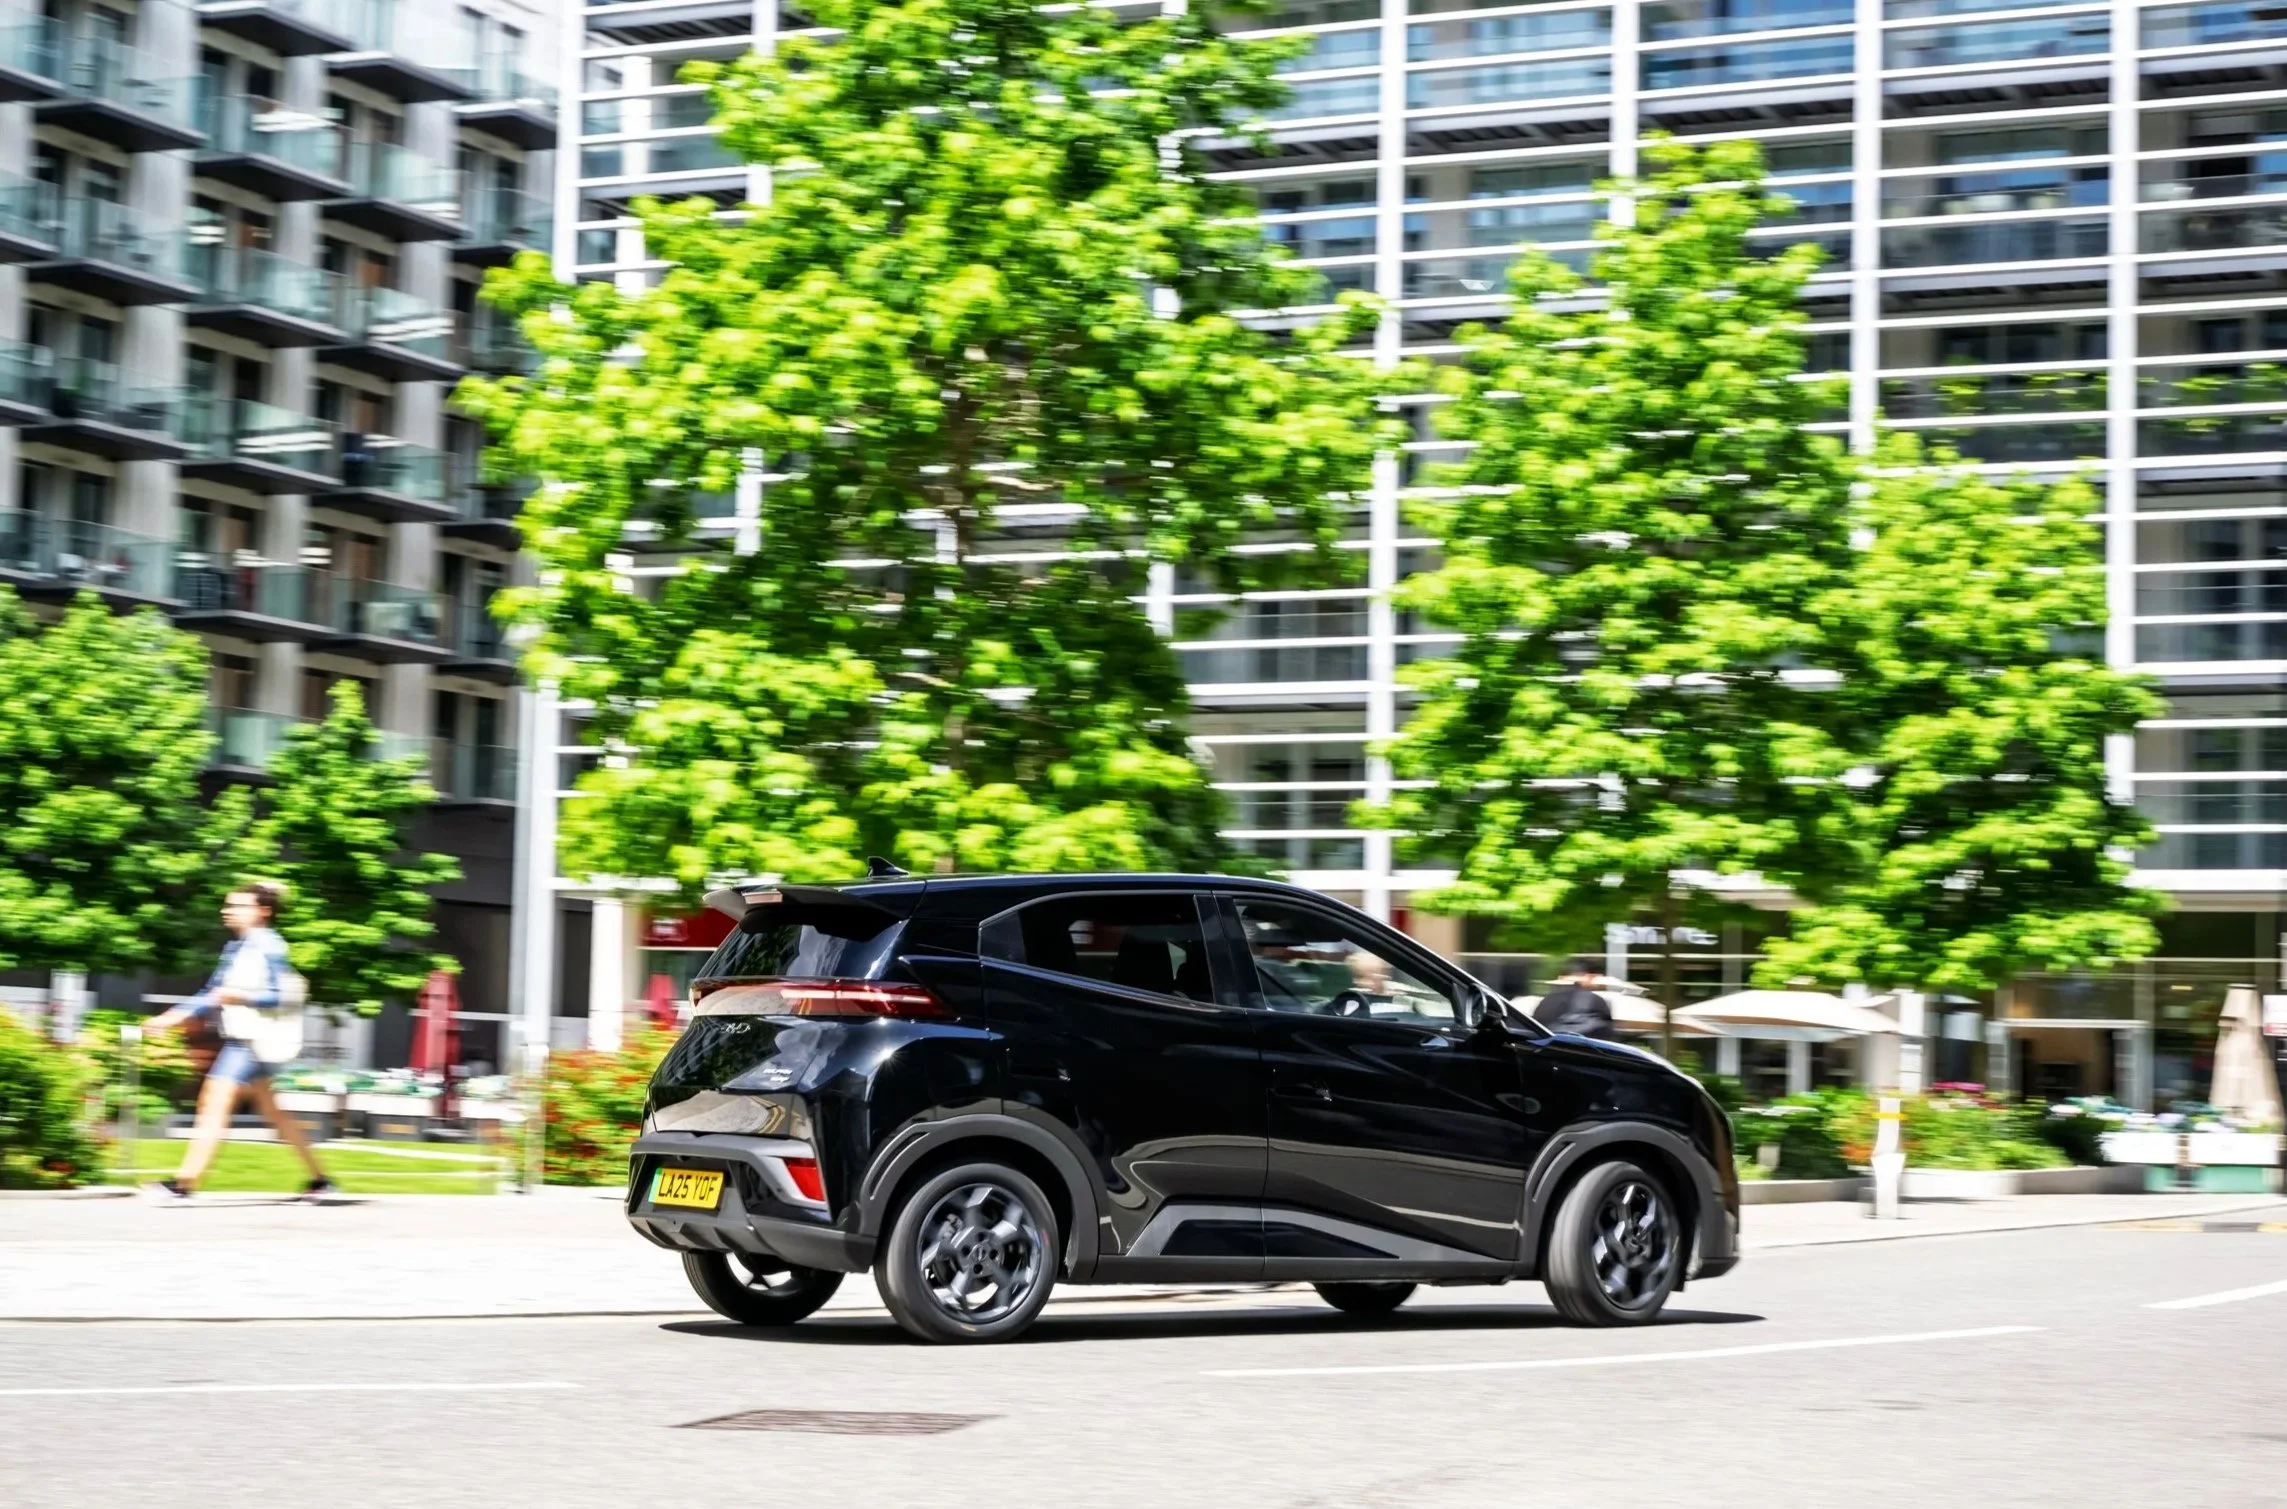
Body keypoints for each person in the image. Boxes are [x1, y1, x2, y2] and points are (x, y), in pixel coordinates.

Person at [144, 883, 335, 1201]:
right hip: (246, 1038)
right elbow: (212, 994)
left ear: (263, 911)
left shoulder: (270, 946)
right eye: (228, 905)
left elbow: (283, 996)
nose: (227, 910)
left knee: (212, 1103)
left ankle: (185, 1182)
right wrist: (171, 1018)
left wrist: (242, 996)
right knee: (275, 1115)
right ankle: (321, 1180)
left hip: (250, 1040)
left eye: (238, 905)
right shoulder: (236, 949)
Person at [1534, 956, 1617, 1039]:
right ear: (1587, 976)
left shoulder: (1548, 998)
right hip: (1581, 1047)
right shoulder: (1594, 1000)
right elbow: (1607, 1032)